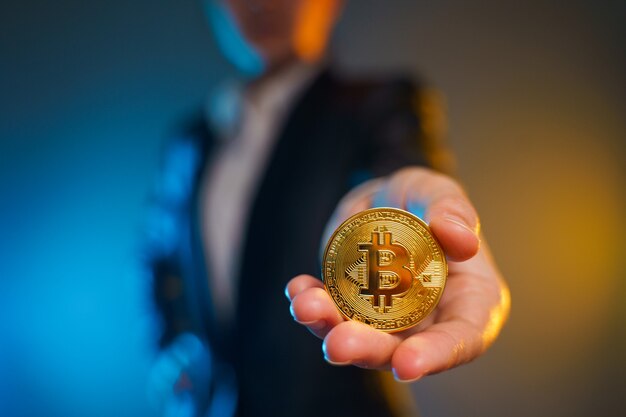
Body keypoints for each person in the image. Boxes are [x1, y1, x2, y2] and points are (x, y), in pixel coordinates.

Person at [145, 1, 510, 416]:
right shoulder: (189, 141)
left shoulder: (379, 104)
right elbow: (159, 256)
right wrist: (171, 345)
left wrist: (392, 201)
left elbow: (396, 176)